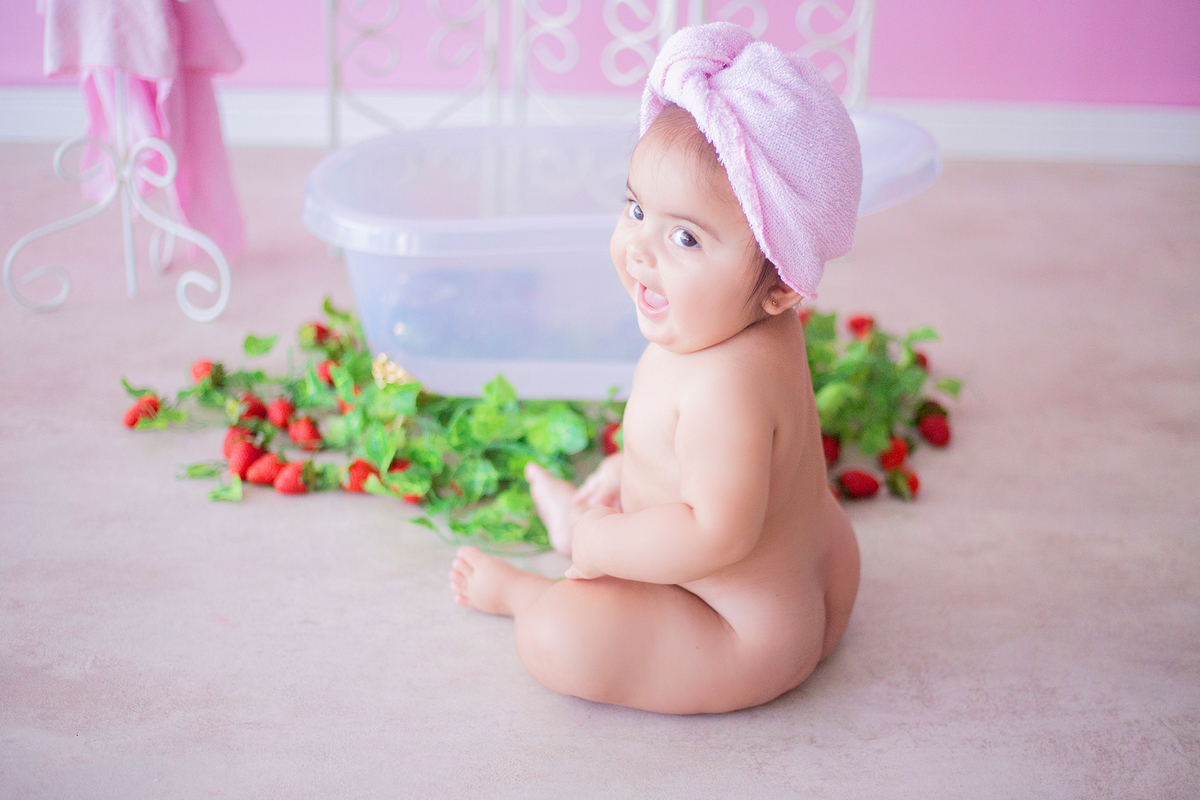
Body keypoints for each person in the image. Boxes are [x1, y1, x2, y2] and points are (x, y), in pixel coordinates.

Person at [448, 21, 862, 715]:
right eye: (636, 208)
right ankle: (598, 498)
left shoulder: (727, 387)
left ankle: (527, 591)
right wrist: (625, 475)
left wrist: (596, 544)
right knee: (632, 482)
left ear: (781, 283)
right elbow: (709, 465)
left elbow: (715, 532)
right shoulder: (748, 322)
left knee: (561, 635)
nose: (640, 248)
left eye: (684, 236)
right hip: (816, 581)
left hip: (740, 632)